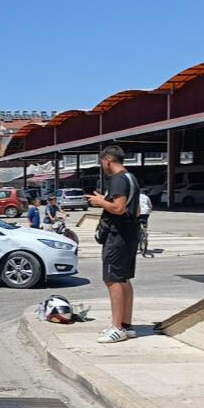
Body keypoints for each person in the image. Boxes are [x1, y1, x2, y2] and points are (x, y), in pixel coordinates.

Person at [85, 145, 140, 343]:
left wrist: (100, 202)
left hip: (117, 236)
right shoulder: (130, 178)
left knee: (113, 280)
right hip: (130, 233)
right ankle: (126, 325)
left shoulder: (117, 180)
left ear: (107, 160)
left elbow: (118, 208)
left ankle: (117, 328)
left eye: (102, 163)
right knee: (123, 278)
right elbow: (137, 210)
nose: (103, 167)